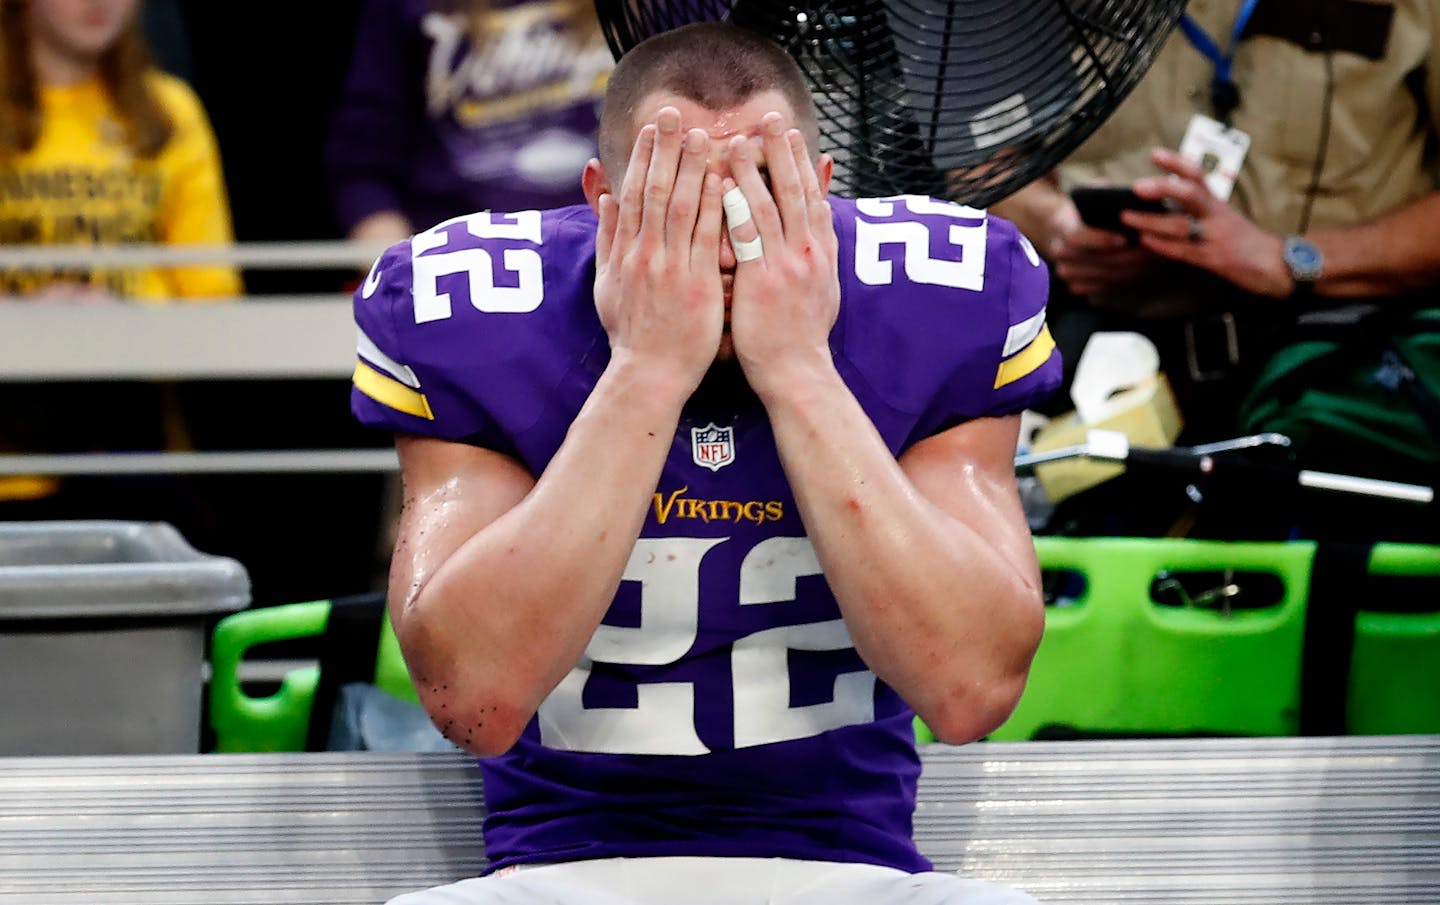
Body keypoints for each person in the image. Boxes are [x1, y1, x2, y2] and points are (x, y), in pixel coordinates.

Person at [352, 20, 1061, 905]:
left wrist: (801, 367)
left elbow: (970, 688)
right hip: (558, 868)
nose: (726, 240)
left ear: (821, 186)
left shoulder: (938, 293)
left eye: (763, 194)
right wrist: (646, 370)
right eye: (678, 196)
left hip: (855, 868)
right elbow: (475, 698)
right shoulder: (477, 304)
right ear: (604, 200)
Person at [992, 0, 1440, 446]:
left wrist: (1288, 260)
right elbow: (972, 156)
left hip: (1336, 358)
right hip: (1103, 359)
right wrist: (1058, 225)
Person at [0, 0, 240, 515]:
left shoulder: (169, 109)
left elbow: (212, 297)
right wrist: (30, 314)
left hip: (129, 431)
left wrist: (116, 318)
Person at [324, 0, 614, 247]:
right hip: (457, 263)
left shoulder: (643, 10)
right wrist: (407, 278)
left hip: (614, 251)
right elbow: (362, 162)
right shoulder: (406, 8)